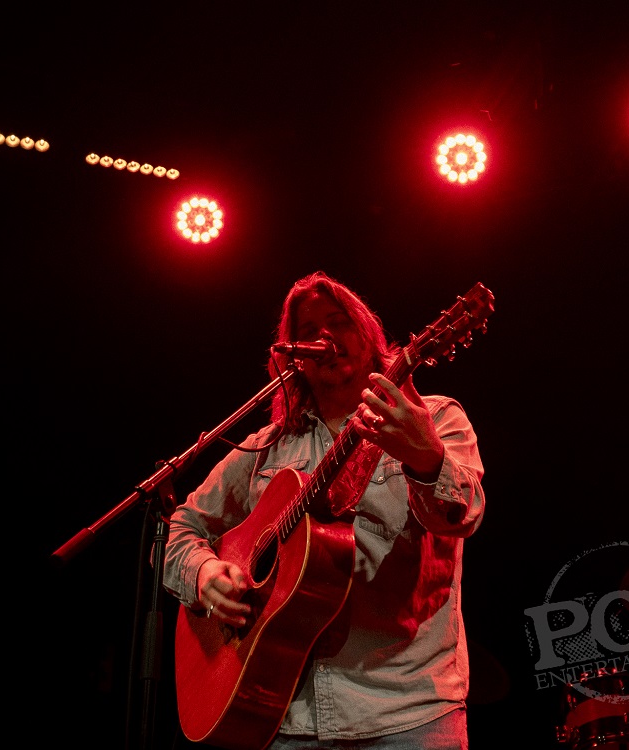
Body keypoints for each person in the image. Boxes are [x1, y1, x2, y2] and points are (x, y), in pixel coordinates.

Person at [162, 270, 486, 749]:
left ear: (368, 335)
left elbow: (463, 516)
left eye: (339, 322)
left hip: (407, 711)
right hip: (283, 713)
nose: (325, 338)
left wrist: (427, 458)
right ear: (292, 357)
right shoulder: (265, 448)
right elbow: (182, 527)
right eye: (309, 332)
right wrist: (203, 573)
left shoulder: (434, 417)